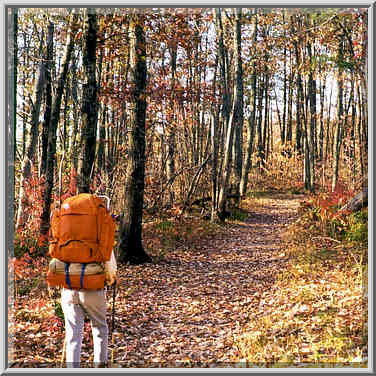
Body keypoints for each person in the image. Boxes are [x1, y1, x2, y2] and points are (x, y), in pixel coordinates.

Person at [60, 250, 117, 368]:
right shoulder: (101, 236)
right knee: (100, 327)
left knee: (73, 334)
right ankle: (100, 367)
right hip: (93, 288)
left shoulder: (67, 234)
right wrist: (111, 280)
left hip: (70, 288)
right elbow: (110, 268)